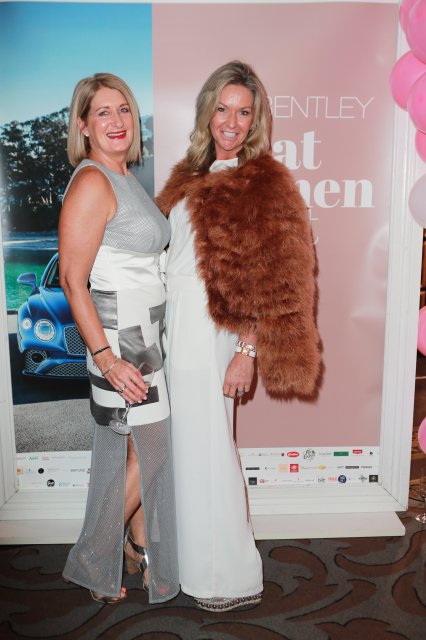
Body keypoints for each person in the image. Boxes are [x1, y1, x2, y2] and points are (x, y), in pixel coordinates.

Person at [156, 60, 321, 612]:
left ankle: (224, 575)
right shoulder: (188, 175)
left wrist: (247, 351)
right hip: (173, 324)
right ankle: (185, 562)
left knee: (208, 448)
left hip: (212, 332)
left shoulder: (263, 181)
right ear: (207, 111)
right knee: (182, 449)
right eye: (223, 108)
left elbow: (276, 276)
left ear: (256, 120)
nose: (231, 121)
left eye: (243, 112)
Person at [59, 73, 179, 604]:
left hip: (143, 335)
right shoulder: (92, 182)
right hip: (121, 339)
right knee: (153, 450)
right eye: (102, 112)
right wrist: (107, 359)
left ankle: (135, 545)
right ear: (83, 126)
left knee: (137, 449)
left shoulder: (125, 176)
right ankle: (93, 556)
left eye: (124, 109)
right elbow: (72, 280)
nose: (117, 121)